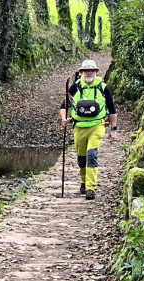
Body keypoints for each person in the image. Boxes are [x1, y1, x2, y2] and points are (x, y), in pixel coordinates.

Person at [60, 60, 118, 200]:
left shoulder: (103, 87)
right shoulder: (75, 87)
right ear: (81, 73)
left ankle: (91, 188)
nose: (89, 73)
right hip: (79, 126)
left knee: (92, 155)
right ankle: (84, 181)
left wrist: (113, 129)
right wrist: (64, 118)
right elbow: (64, 106)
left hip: (97, 126)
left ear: (96, 72)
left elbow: (112, 109)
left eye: (92, 70)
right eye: (86, 71)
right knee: (81, 158)